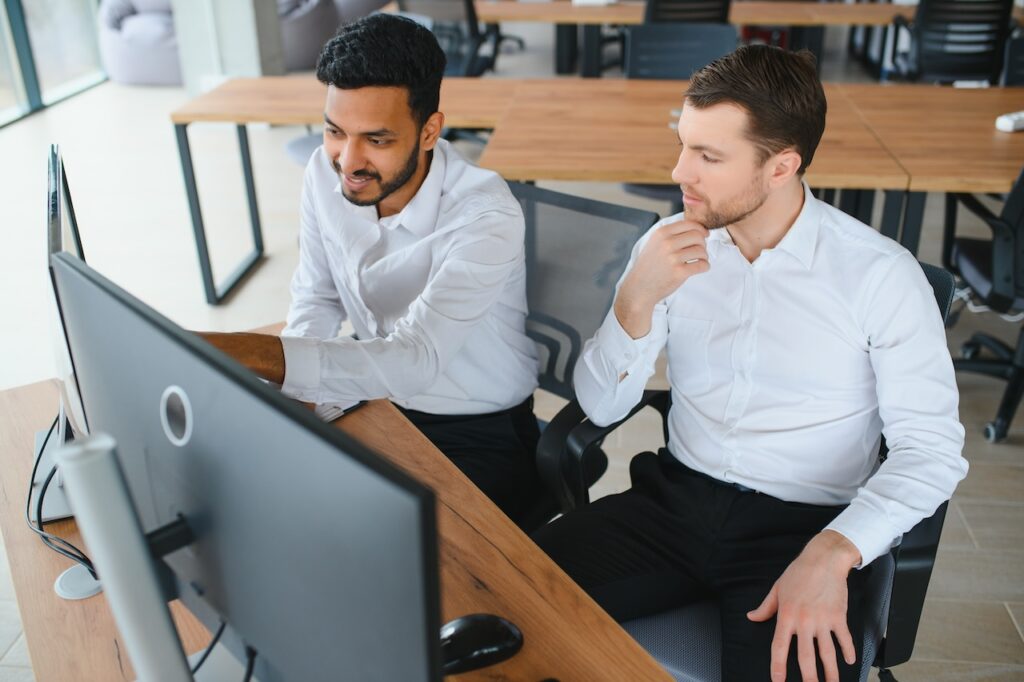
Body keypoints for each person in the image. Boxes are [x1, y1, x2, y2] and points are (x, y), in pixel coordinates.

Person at [531, 45, 968, 682]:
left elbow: (930, 451)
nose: (681, 171)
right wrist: (634, 300)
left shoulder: (880, 277)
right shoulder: (668, 246)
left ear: (781, 166)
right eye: (683, 145)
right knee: (497, 604)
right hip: (673, 505)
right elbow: (600, 407)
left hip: (805, 528)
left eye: (709, 157)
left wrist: (834, 554)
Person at [199, 14, 545, 529]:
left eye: (377, 140)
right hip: (374, 401)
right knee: (243, 497)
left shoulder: (484, 216)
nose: (349, 160)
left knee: (364, 544)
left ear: (429, 131)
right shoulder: (324, 170)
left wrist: (239, 351)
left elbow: (415, 360)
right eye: (336, 131)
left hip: (477, 427)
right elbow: (317, 296)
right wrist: (300, 401)